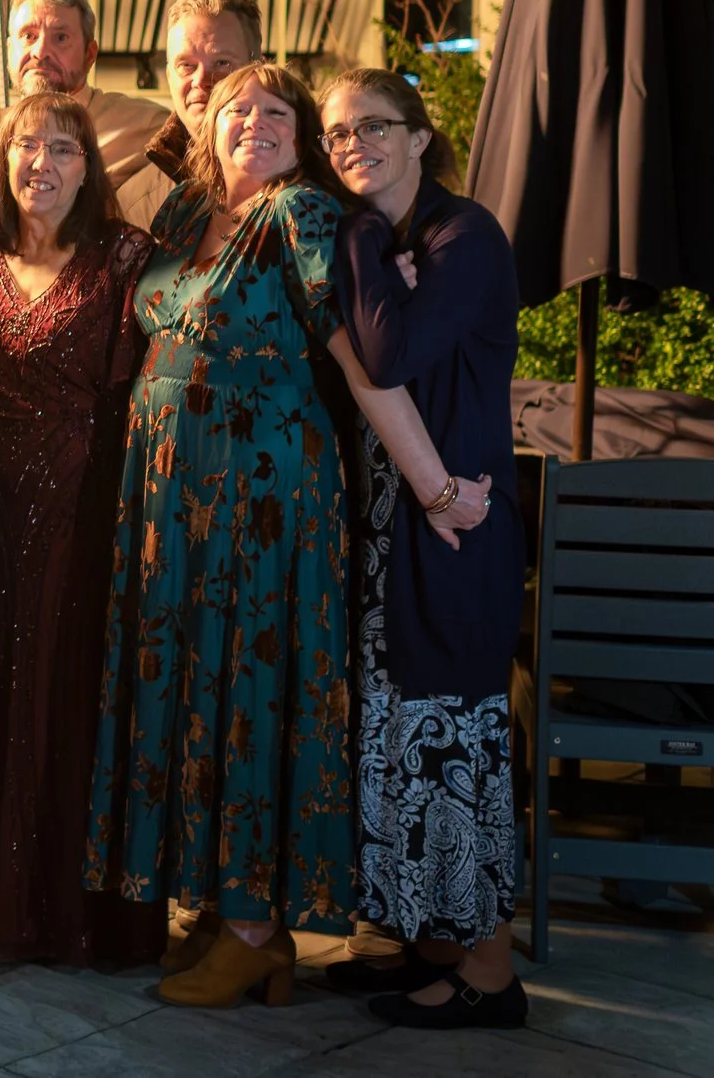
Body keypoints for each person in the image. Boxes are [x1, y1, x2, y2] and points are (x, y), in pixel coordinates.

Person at [81, 62, 481, 1009]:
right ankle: (230, 919)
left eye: (274, 111)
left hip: (263, 502)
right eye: (233, 110)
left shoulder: (302, 215)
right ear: (206, 127)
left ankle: (261, 924)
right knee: (194, 691)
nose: (253, 122)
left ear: (302, 134)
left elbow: (361, 360)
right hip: (173, 505)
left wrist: (432, 486)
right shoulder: (182, 218)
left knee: (250, 690)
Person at [319, 70, 524, 1030]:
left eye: (373, 126)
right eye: (338, 132)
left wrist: (359, 244)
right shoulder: (400, 245)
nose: (354, 142)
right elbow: (357, 342)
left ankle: (489, 971)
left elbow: (386, 358)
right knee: (409, 736)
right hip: (397, 528)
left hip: (459, 523)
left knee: (459, 741)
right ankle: (432, 945)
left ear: (418, 134)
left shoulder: (463, 236)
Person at [0, 92, 163, 967]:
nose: (43, 162)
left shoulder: (122, 256)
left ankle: (67, 916)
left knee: (63, 701)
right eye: (26, 145)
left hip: (82, 518)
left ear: (89, 166)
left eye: (63, 149)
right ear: (2, 160)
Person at [0, 0, 170, 191]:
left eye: (60, 37)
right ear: (9, 50)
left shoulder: (143, 125)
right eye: (28, 36)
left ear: (89, 54)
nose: (40, 52)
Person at [115, 0, 262, 232]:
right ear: (169, 74)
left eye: (222, 63)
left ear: (259, 67)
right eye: (186, 65)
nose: (201, 80)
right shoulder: (136, 204)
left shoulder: (304, 176)